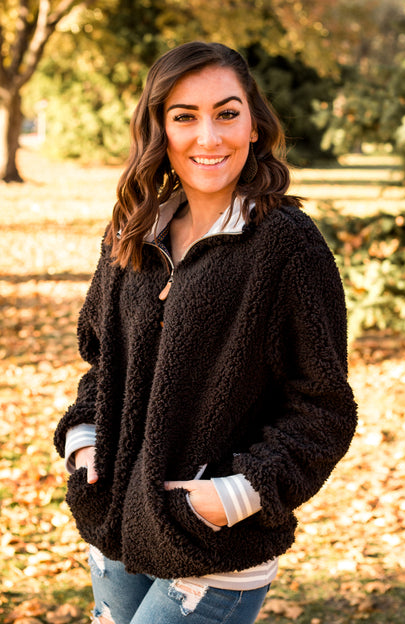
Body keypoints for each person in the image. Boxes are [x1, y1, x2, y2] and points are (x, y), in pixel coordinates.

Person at [54, 41, 357, 624]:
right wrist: (86, 442)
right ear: (160, 130)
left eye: (226, 113)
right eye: (185, 116)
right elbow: (103, 363)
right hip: (116, 527)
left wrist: (235, 496)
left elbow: (324, 407)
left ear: (253, 125)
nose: (209, 137)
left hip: (213, 548)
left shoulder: (287, 245)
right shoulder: (134, 231)